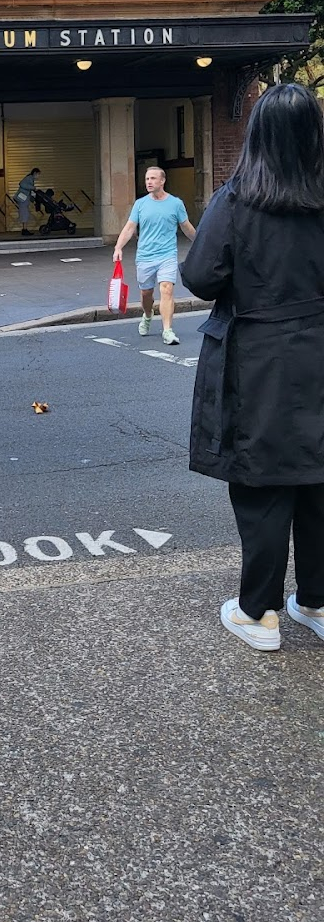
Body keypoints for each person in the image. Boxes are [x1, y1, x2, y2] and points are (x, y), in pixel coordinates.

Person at [181, 82, 324, 653]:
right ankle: (315, 600)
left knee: (263, 484)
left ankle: (258, 612)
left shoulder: (237, 199)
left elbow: (200, 277)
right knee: (319, 479)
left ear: (257, 134)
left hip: (260, 358)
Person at [112, 166, 196, 344]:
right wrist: (118, 247)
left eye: (152, 178)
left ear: (162, 181)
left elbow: (186, 226)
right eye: (147, 179)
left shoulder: (175, 203)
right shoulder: (140, 204)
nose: (149, 182)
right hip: (145, 256)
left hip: (167, 255)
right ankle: (148, 315)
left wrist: (200, 242)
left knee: (167, 289)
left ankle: (167, 330)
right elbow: (129, 228)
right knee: (146, 293)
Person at [15, 168, 40, 237]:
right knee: (24, 213)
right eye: (38, 174)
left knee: (25, 213)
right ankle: (24, 230)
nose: (38, 176)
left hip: (24, 199)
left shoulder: (30, 179)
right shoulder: (29, 178)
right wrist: (33, 187)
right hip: (23, 199)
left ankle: (25, 229)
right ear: (35, 173)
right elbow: (22, 184)